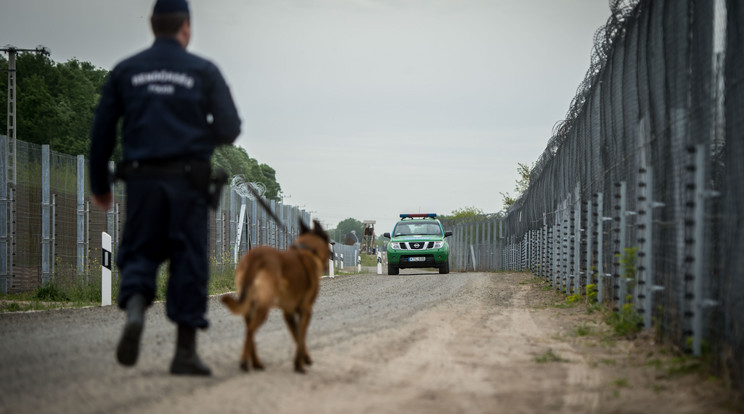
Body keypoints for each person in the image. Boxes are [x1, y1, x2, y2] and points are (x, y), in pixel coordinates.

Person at [89, 0, 241, 376]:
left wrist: (99, 184)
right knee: (189, 258)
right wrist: (196, 137)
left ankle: (137, 312)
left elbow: (102, 132)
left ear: (154, 25)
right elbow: (229, 127)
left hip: (141, 181)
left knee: (140, 250)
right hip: (189, 181)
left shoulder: (126, 70)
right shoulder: (203, 71)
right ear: (185, 27)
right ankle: (184, 352)